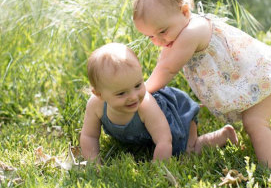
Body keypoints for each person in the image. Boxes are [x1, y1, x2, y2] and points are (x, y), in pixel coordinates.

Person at [132, 0, 271, 168]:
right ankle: (226, 135)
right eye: (150, 36)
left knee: (255, 123)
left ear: (185, 12)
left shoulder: (192, 31)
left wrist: (142, 92)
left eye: (162, 31)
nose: (158, 40)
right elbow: (163, 63)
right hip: (245, 81)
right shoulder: (176, 32)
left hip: (261, 76)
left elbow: (167, 68)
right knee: (251, 122)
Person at [80, 43, 238, 163]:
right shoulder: (96, 105)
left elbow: (164, 140)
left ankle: (223, 135)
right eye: (121, 93)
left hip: (176, 116)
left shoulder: (146, 105)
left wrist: (158, 169)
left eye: (138, 85)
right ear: (99, 94)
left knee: (186, 152)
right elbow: (89, 136)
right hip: (151, 134)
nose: (134, 97)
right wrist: (93, 163)